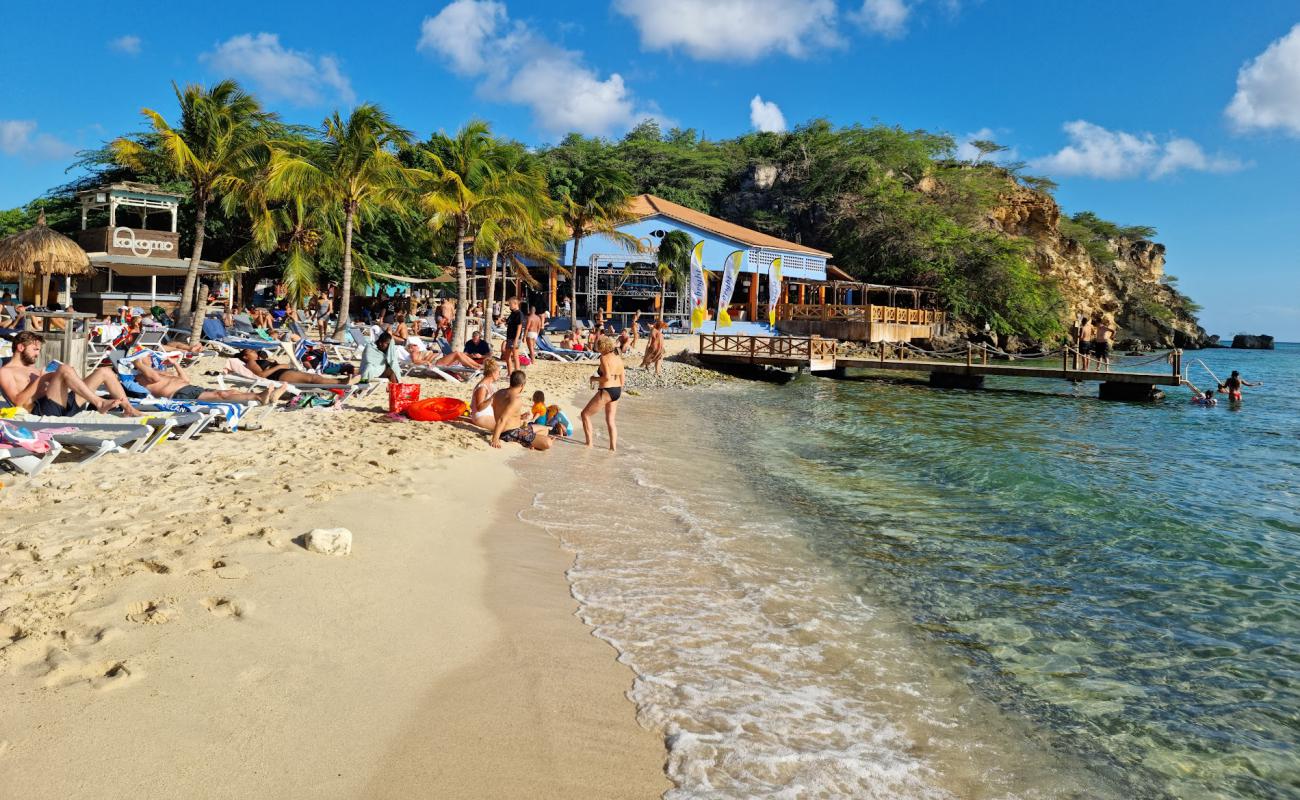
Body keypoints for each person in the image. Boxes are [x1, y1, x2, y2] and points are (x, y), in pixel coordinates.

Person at [0, 331, 141, 417]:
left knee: (104, 371)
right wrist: (42, 379)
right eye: (35, 349)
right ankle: (99, 402)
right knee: (64, 369)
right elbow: (18, 402)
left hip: (61, 404)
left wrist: (59, 379)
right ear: (20, 347)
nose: (38, 354)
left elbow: (48, 389)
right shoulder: (5, 372)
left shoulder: (33, 368)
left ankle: (129, 409)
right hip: (42, 411)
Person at [133, 355, 283, 404]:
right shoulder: (140, 375)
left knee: (230, 391)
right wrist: (138, 363)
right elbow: (154, 378)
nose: (150, 358)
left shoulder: (157, 370)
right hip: (180, 396)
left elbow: (186, 379)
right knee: (221, 395)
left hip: (189, 388)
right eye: (146, 356)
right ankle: (259, 396)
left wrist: (176, 364)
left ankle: (269, 396)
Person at [489, 369, 552, 450]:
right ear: (522, 385)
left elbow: (501, 412)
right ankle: (529, 442)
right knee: (548, 443)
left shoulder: (499, 392)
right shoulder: (516, 399)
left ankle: (530, 442)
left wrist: (520, 416)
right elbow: (502, 419)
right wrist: (495, 439)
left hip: (514, 429)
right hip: (510, 433)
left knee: (545, 429)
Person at [581, 336, 625, 451]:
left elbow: (606, 377)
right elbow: (622, 379)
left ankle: (589, 444)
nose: (597, 349)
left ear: (602, 347)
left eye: (598, 347)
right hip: (617, 391)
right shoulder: (618, 357)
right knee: (610, 420)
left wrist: (593, 379)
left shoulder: (604, 358)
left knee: (585, 414)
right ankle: (612, 448)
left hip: (607, 390)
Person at [237, 349, 352, 385]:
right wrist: (279, 366)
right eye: (250, 351)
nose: (254, 352)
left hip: (283, 372)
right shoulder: (251, 363)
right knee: (313, 378)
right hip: (279, 374)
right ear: (245, 357)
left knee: (312, 378)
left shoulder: (258, 360)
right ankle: (341, 382)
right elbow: (261, 375)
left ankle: (340, 382)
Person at [468, 358, 500, 430]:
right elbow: (479, 407)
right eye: (498, 372)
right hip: (481, 416)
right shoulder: (482, 387)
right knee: (504, 426)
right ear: (493, 373)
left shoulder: (491, 385)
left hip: (488, 415)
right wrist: (491, 398)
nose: (499, 375)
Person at [502, 297, 523, 374]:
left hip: (514, 338)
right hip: (509, 337)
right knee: (507, 356)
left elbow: (519, 327)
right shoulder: (512, 313)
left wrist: (516, 340)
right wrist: (503, 320)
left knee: (515, 356)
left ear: (515, 304)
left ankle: (517, 374)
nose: (509, 306)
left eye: (510, 304)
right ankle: (510, 373)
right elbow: (509, 322)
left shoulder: (519, 313)